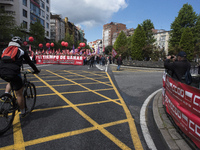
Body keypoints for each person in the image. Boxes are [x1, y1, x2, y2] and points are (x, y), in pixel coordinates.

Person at [0, 36, 40, 118]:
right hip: (14, 72)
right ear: (20, 43)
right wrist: (36, 70)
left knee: (10, 81)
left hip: (2, 71)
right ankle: (23, 111)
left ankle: (6, 95)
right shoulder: (22, 51)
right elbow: (30, 62)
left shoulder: (5, 50)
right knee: (19, 93)